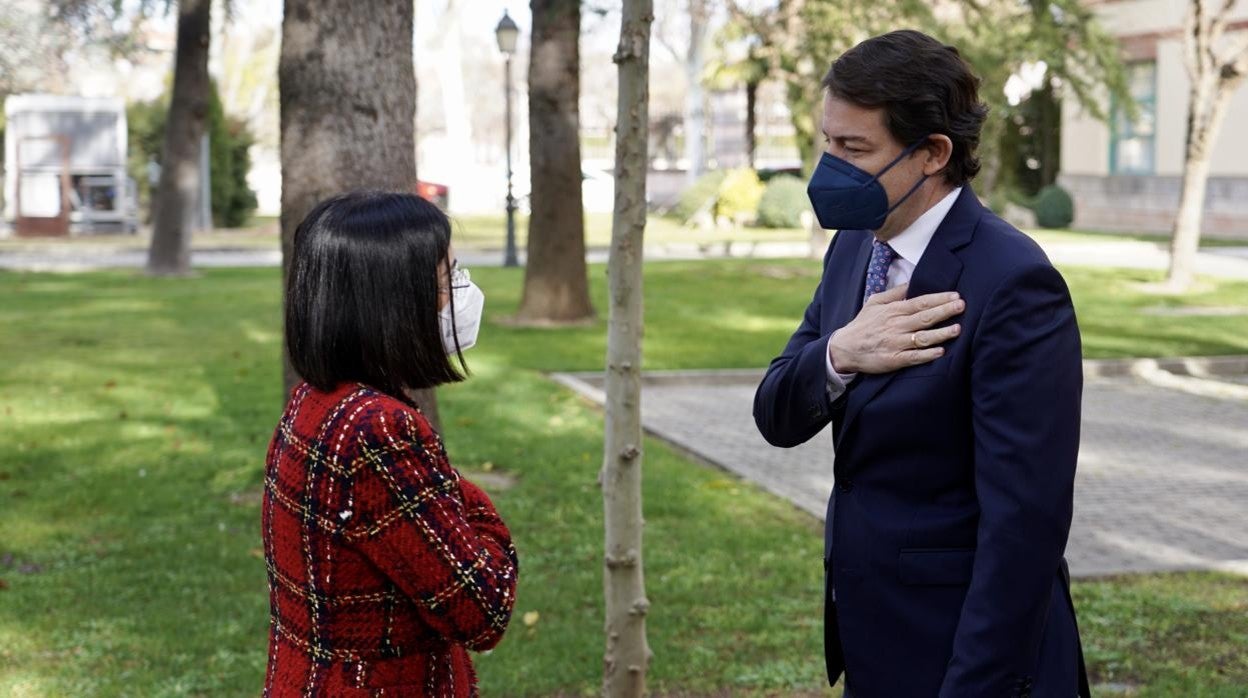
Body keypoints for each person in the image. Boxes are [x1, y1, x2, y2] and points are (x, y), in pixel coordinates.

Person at [753, 30, 1088, 697]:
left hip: (967, 660)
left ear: (933, 153)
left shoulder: (1015, 282)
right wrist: (841, 352)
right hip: (875, 646)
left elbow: (1023, 529)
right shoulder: (854, 245)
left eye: (854, 149)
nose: (831, 169)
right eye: (827, 143)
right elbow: (777, 413)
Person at [262, 191, 517, 697]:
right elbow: (483, 609)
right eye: (449, 279)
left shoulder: (316, 400)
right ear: (394, 302)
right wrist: (470, 504)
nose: (462, 293)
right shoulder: (379, 433)